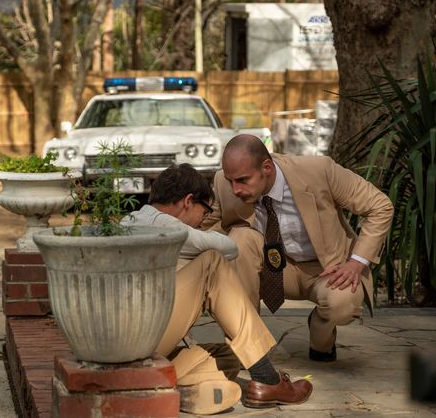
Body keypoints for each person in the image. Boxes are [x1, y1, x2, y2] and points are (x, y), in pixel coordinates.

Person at [122, 163, 313, 414]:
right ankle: (267, 380)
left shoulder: (130, 219)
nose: (203, 221)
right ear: (188, 201)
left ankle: (165, 386)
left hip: (139, 346)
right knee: (212, 264)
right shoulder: (163, 224)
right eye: (205, 211)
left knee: (231, 356)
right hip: (139, 339)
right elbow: (229, 248)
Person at [202, 134, 394, 362]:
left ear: (266, 168)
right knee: (240, 238)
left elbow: (380, 206)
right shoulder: (224, 183)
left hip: (326, 269)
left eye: (243, 180)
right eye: (231, 181)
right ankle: (249, 345)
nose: (235, 189)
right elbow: (204, 225)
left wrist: (356, 262)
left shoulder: (319, 171)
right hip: (272, 269)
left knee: (343, 304)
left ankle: (320, 334)